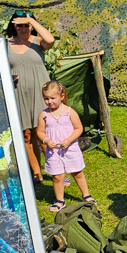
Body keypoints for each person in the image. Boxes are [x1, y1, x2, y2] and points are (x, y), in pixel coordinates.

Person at [6, 10, 55, 183]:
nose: (23, 29)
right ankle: (36, 173)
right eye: (19, 25)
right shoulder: (5, 44)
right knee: (27, 134)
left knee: (44, 133)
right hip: (19, 93)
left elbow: (51, 40)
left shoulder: (38, 42)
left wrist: (31, 21)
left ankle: (55, 170)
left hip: (41, 93)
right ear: (14, 26)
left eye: (26, 25)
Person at [36, 81, 93, 212]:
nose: (49, 101)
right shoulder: (44, 115)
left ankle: (86, 195)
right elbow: (39, 131)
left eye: (52, 98)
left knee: (77, 172)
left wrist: (68, 140)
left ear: (62, 96)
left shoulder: (69, 112)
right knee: (57, 176)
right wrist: (46, 140)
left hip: (70, 149)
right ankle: (60, 200)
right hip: (54, 151)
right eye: (46, 98)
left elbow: (79, 128)